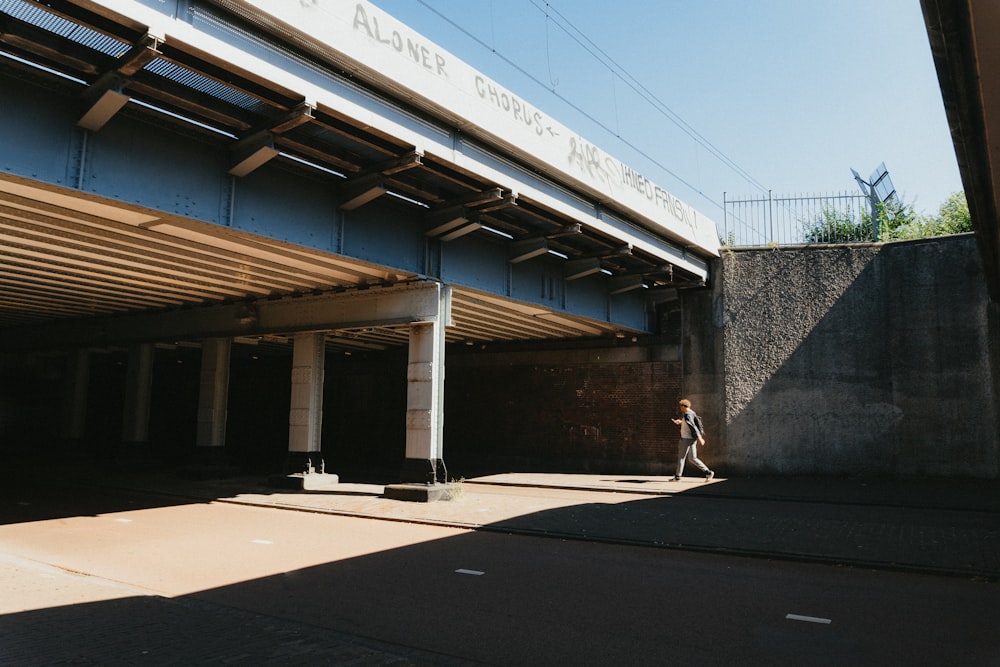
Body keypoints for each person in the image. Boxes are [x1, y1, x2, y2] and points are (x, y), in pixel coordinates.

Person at [671, 399, 714, 482]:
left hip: (686, 439)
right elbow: (689, 424)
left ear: (683, 406)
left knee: (681, 458)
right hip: (692, 439)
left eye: (680, 407)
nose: (680, 408)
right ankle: (708, 472)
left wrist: (700, 438)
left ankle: (677, 477)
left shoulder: (687, 414)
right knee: (692, 458)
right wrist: (680, 422)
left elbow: (693, 427)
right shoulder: (692, 413)